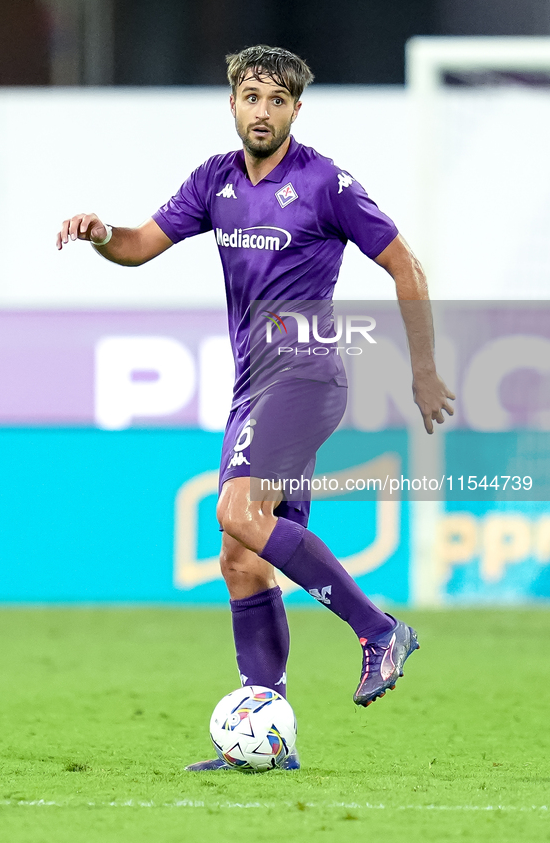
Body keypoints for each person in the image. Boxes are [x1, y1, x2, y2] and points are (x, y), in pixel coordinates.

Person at [57, 44, 454, 771]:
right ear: (232, 103)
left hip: (305, 376)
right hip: (253, 387)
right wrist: (100, 234)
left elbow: (404, 264)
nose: (261, 110)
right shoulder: (214, 180)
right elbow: (141, 245)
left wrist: (423, 371)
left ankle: (377, 631)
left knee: (237, 513)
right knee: (240, 559)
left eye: (276, 99)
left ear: (296, 109)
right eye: (250, 96)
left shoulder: (326, 183)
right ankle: (261, 733)